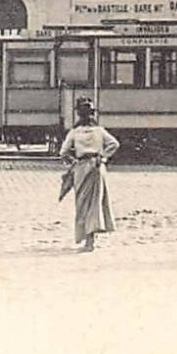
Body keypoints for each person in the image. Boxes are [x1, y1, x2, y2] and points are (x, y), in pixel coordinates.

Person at [58, 98, 118, 252]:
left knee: (82, 203)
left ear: (78, 114)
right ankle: (91, 241)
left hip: (81, 168)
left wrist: (73, 161)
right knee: (95, 203)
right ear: (92, 115)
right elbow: (114, 144)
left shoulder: (74, 132)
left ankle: (86, 239)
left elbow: (63, 152)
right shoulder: (100, 131)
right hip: (97, 167)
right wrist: (103, 157)